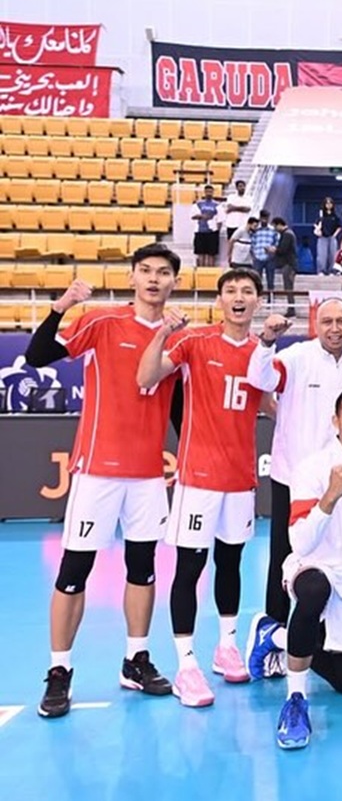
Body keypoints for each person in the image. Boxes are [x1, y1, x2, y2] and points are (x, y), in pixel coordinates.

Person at [25, 244, 184, 718]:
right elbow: (37, 355)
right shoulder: (102, 322)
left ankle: (135, 659)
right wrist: (61, 306)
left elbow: (179, 408)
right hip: (98, 469)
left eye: (163, 272)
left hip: (148, 475)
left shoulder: (178, 335)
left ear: (175, 282)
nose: (153, 279)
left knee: (143, 568)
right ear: (132, 277)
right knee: (75, 570)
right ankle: (59, 670)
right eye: (145, 271)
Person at [135, 268, 267, 707]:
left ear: (257, 301)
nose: (239, 297)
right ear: (219, 300)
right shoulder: (194, 342)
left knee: (231, 564)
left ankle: (226, 646)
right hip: (198, 480)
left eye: (247, 291)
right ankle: (186, 664)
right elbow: (145, 377)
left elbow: (275, 403)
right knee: (190, 568)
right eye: (231, 291)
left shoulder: (261, 352)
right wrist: (163, 334)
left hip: (240, 478)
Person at [246, 388, 342, 750]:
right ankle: (295, 700)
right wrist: (330, 497)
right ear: (335, 421)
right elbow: (299, 542)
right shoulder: (311, 468)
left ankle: (274, 636)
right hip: (311, 567)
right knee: (313, 591)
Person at [244, 301, 342, 634]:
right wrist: (266, 341)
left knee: (337, 555)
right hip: (293, 475)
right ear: (315, 325)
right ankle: (273, 629)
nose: (335, 328)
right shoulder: (295, 357)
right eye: (327, 321)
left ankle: (327, 632)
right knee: (284, 552)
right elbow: (260, 378)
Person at [271, 217, 299, 317]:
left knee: (288, 287)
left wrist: (274, 250)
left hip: (289, 265)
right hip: (288, 264)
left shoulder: (287, 234)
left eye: (275, 226)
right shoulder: (288, 233)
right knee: (288, 287)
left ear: (279, 225)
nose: (275, 229)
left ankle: (291, 309)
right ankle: (290, 308)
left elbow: (282, 249)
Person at [191, 184, 221, 267]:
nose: (209, 193)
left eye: (210, 192)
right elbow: (193, 216)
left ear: (213, 192)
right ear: (204, 192)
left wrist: (216, 230)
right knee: (201, 253)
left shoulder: (217, 205)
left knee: (211, 254)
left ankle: (210, 271)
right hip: (200, 231)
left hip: (212, 232)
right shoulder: (199, 204)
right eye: (207, 191)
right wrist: (202, 216)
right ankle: (201, 271)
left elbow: (220, 219)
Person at [223, 180, 252, 262]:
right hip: (231, 224)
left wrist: (234, 208)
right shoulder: (231, 197)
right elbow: (229, 207)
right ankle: (230, 259)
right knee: (231, 242)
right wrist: (241, 208)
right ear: (236, 188)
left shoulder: (249, 198)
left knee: (241, 244)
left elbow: (247, 209)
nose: (242, 188)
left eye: (243, 186)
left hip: (243, 225)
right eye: (240, 186)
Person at [314, 197, 342, 276]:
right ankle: (321, 271)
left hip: (332, 237)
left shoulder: (335, 216)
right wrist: (318, 231)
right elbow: (316, 225)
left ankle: (331, 270)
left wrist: (334, 235)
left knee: (332, 255)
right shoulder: (321, 216)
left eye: (330, 203)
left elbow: (339, 226)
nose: (329, 205)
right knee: (322, 255)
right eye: (327, 203)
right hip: (322, 237)